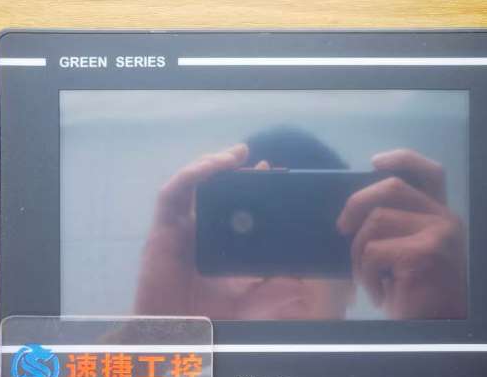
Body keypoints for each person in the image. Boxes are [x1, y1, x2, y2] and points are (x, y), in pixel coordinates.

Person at [134, 126, 466, 320]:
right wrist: (158, 326)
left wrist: (440, 326)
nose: (282, 269)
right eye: (254, 231)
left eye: (309, 231)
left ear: (354, 276)